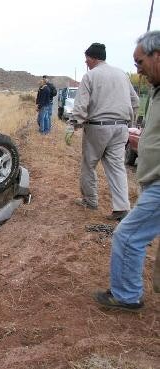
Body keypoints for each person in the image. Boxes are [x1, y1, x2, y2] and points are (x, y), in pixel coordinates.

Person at [93, 30, 160, 311]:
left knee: (128, 235)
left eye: (140, 62)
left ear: (157, 56)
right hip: (150, 177)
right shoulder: (155, 90)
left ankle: (126, 296)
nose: (138, 70)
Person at [71, 42, 140, 221]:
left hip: (97, 127)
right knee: (117, 167)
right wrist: (128, 122)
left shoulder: (90, 76)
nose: (86, 62)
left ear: (93, 58)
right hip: (121, 128)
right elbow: (136, 101)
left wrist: (74, 124)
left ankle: (90, 201)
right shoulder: (122, 75)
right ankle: (122, 208)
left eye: (87, 59)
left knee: (89, 165)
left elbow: (80, 106)